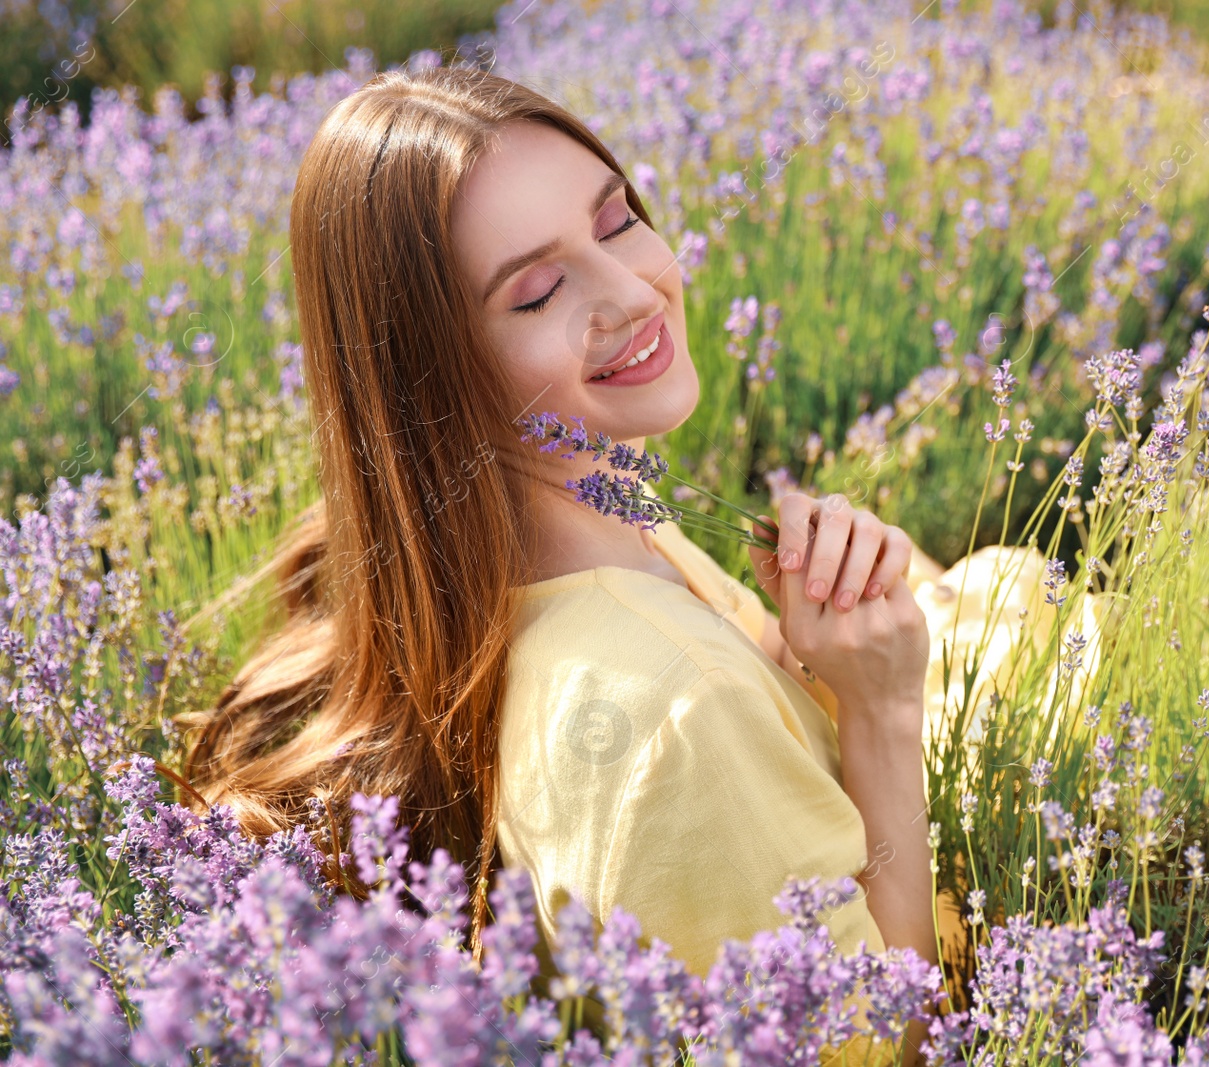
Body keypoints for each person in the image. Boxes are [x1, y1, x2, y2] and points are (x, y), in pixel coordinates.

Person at [182, 64, 1097, 1064]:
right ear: (438, 374)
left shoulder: (562, 513)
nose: (631, 291)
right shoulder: (673, 710)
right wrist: (878, 715)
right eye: (536, 292)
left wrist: (822, 634)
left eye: (616, 220)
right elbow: (890, 1041)